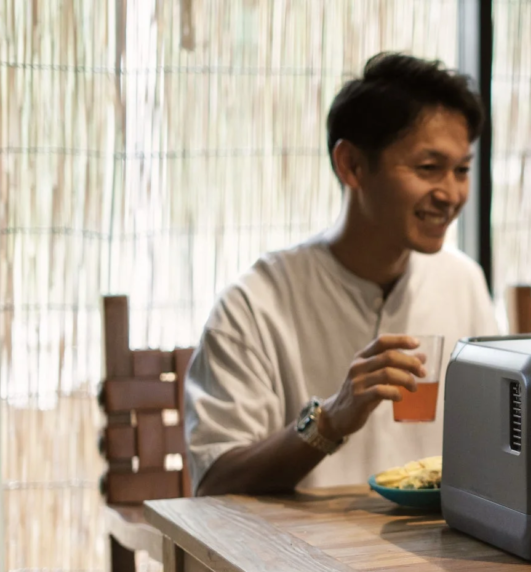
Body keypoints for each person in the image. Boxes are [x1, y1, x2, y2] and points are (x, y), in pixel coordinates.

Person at [185, 52, 497, 498]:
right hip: (296, 562)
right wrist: (329, 420)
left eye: (462, 170)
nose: (451, 193)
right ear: (351, 165)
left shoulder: (462, 282)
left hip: (441, 554)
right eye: (429, 168)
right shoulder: (255, 303)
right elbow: (215, 482)